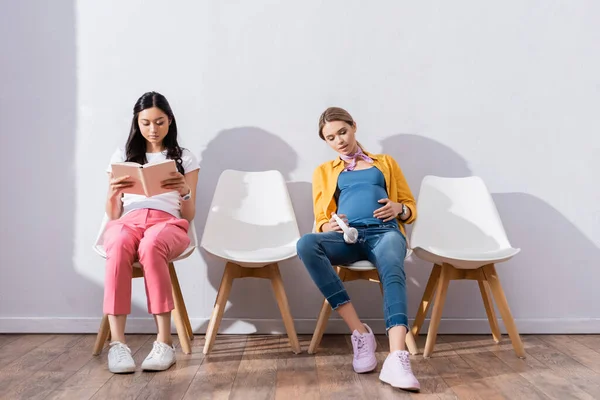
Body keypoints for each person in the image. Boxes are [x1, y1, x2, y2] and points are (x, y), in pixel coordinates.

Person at [297, 107, 420, 391]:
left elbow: (410, 207)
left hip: (385, 233)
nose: (339, 140)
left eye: (342, 131)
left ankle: (396, 357)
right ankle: (360, 333)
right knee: (306, 244)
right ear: (326, 142)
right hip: (348, 238)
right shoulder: (324, 172)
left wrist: (398, 208)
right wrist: (331, 226)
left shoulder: (385, 163)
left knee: (392, 269)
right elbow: (320, 220)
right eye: (331, 137)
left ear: (354, 127)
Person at [102, 91, 199, 373]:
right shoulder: (122, 156)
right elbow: (112, 214)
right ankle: (118, 345)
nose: (153, 129)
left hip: (168, 224)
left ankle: (164, 343)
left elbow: (190, 215)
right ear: (137, 122)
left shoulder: (184, 158)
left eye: (159, 122)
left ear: (170, 121)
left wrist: (185, 192)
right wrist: (111, 192)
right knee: (118, 242)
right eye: (145, 123)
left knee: (152, 244)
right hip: (129, 221)